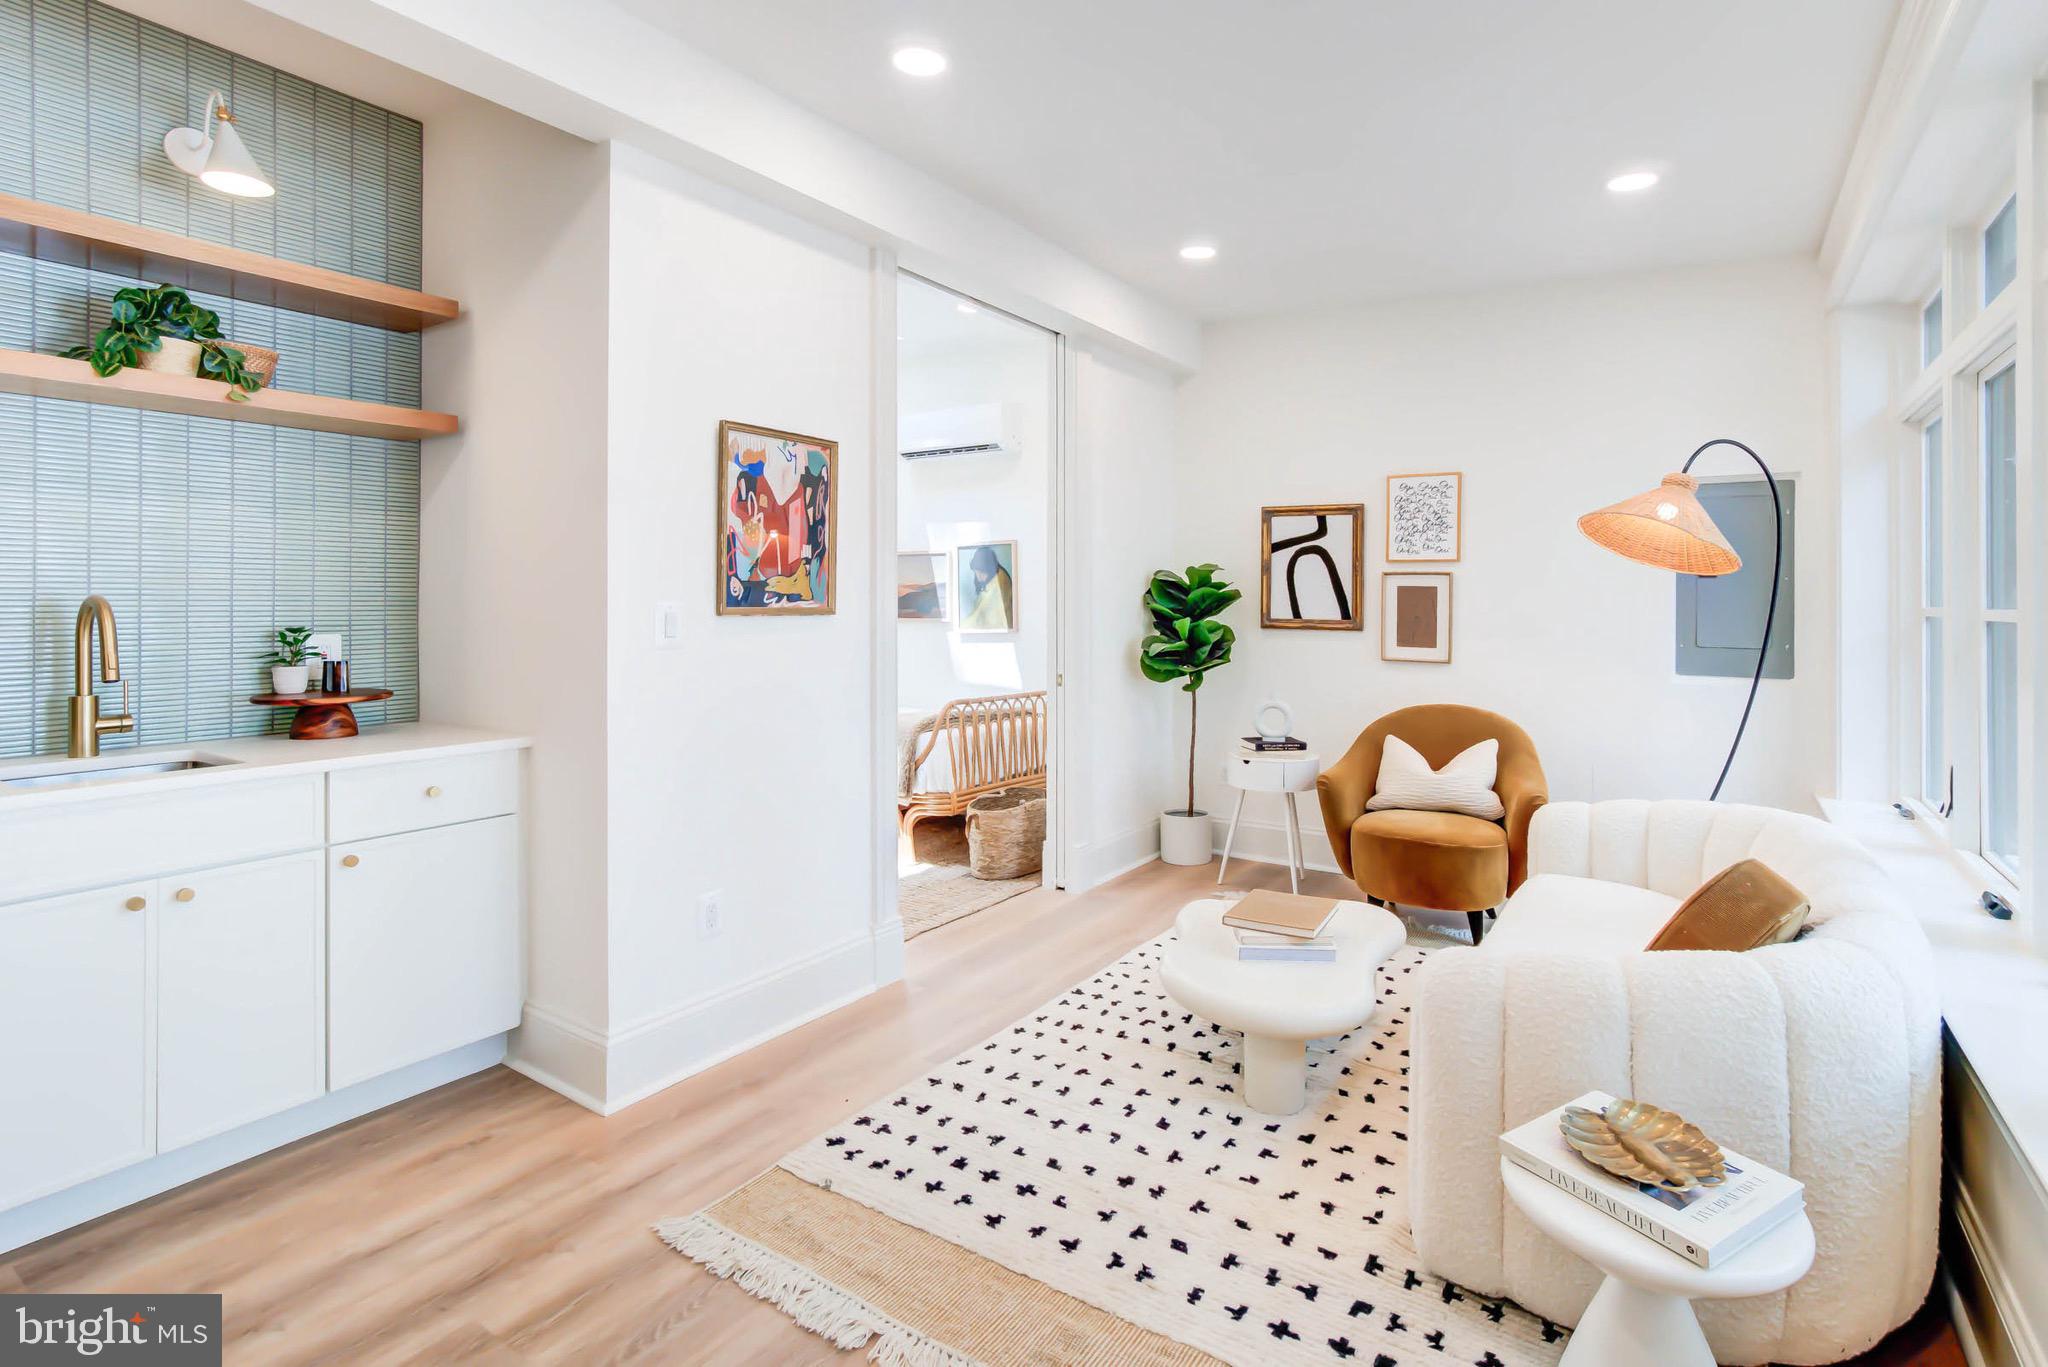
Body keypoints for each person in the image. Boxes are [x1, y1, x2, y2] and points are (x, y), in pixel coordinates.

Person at [962, 545, 1013, 631]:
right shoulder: (993, 576)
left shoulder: (1000, 579)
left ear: (987, 568)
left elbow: (982, 610)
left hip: (1002, 629)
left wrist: (962, 626)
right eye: (976, 572)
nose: (978, 577)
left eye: (981, 572)